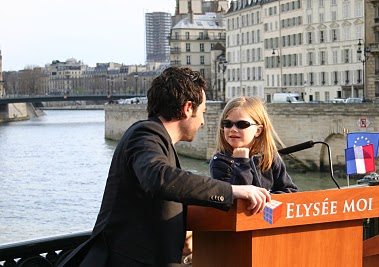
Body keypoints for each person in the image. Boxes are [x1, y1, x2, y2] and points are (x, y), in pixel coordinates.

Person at [58, 67, 270, 267]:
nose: (203, 121)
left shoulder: (157, 140)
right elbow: (159, 178)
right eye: (203, 112)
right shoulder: (145, 135)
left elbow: (160, 196)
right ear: (188, 109)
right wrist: (232, 191)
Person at [210, 96, 298, 194]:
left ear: (258, 130)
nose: (233, 129)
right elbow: (235, 198)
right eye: (227, 124)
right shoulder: (220, 161)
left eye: (242, 124)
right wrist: (241, 162)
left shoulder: (269, 157)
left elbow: (290, 191)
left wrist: (267, 199)